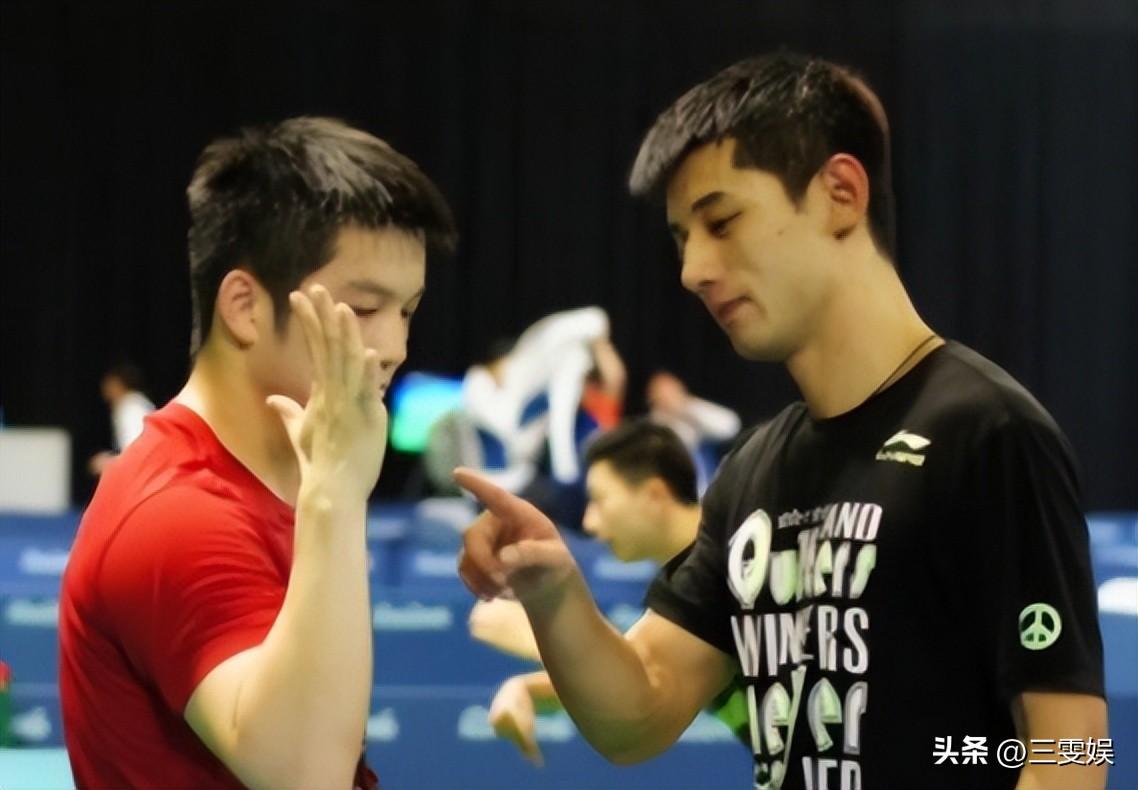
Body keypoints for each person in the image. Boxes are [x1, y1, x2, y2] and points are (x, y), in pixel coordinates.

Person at [455, 52, 1107, 790]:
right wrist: (553, 589)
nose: (693, 270)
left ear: (840, 193)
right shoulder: (754, 472)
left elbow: (1074, 752)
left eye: (722, 221)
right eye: (682, 240)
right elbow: (640, 714)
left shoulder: (988, 434)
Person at [58, 117, 455, 788]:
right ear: (244, 306)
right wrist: (336, 493)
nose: (394, 348)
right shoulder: (176, 515)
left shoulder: (279, 481)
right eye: (363, 310)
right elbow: (307, 776)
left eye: (407, 312)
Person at [470, 419, 750, 765]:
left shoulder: (740, 555)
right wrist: (525, 688)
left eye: (600, 500)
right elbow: (635, 680)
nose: (589, 522)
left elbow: (636, 685)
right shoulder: (689, 596)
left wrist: (537, 632)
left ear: (654, 494)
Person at [646, 369, 740, 492]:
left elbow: (730, 426)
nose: (668, 397)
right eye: (662, 392)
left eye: (671, 390)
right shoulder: (653, 428)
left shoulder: (691, 417)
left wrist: (687, 405)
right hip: (675, 492)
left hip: (708, 491)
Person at [87, 362, 156, 476]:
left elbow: (137, 452)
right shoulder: (134, 404)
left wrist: (107, 461)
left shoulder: (131, 407)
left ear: (118, 384)